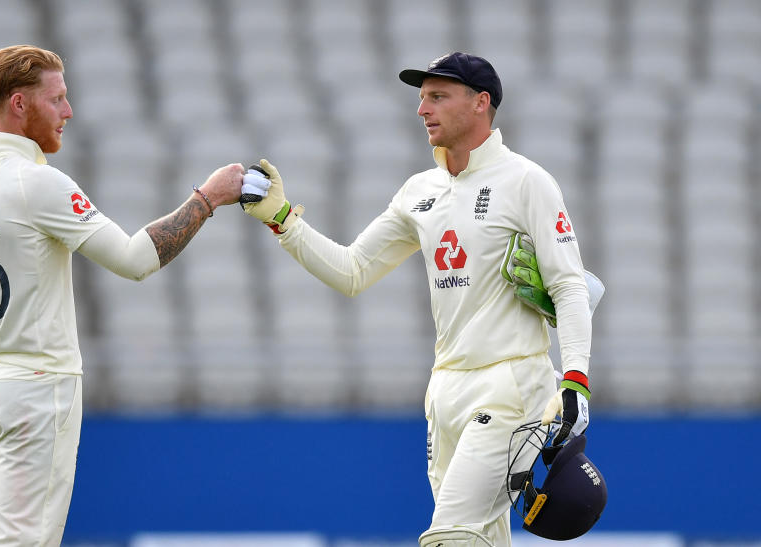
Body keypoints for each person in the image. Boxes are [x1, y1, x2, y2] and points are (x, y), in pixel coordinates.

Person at [241, 52, 597, 546]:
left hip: (513, 385)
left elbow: (569, 284)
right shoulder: (418, 191)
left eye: (437, 96)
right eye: (421, 97)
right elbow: (352, 271)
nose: (422, 109)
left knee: (449, 536)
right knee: (483, 539)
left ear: (480, 103)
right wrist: (283, 218)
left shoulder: (526, 181)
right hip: (444, 392)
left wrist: (576, 381)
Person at [0, 45, 242, 546]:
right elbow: (134, 260)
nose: (68, 112)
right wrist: (208, 198)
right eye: (58, 99)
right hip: (36, 390)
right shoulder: (37, 183)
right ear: (20, 104)